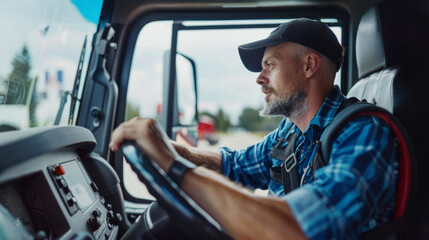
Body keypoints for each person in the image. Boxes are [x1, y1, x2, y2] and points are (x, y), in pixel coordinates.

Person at [110, 18, 399, 240]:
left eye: (269, 65)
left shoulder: (364, 134)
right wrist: (174, 151)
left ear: (310, 64)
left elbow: (300, 230)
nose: (259, 78)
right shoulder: (291, 134)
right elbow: (233, 165)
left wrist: (175, 168)